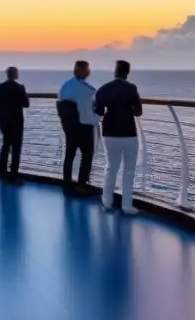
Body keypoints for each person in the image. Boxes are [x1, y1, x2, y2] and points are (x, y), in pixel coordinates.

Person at [94, 60, 143, 214]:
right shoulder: (131, 88)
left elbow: (100, 112)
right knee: (129, 170)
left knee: (111, 168)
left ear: (115, 72)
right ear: (127, 72)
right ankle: (126, 205)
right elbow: (138, 112)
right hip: (128, 133)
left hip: (109, 133)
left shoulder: (104, 89)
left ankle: (107, 202)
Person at [57, 60, 97, 195]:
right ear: (83, 71)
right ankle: (82, 184)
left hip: (69, 127)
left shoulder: (65, 86)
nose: (89, 71)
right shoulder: (85, 89)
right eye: (87, 69)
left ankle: (67, 184)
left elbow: (60, 104)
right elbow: (89, 108)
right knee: (87, 154)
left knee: (69, 155)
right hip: (83, 127)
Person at [0, 66, 30, 181]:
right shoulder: (19, 88)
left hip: (4, 120)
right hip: (17, 121)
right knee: (16, 148)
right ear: (16, 75)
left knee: (5, 145)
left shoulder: (0, 87)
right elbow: (26, 104)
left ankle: (2, 171)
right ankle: (13, 173)